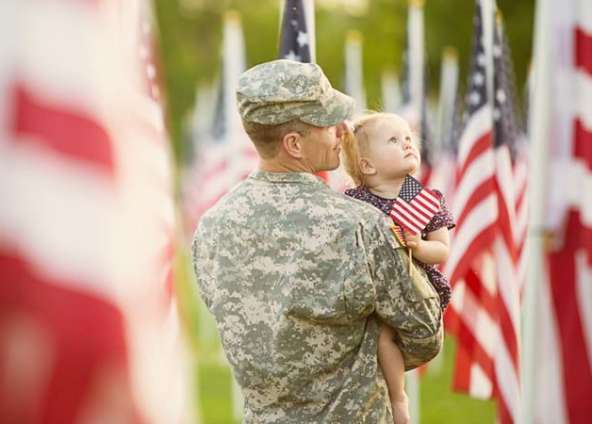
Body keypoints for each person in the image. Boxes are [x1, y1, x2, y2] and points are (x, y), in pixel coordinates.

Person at [192, 59, 443, 423]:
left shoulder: (212, 227)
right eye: (328, 123)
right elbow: (424, 332)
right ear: (293, 143)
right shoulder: (360, 224)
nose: (343, 131)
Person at [341, 112, 455, 424]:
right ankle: (394, 396)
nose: (407, 143)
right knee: (378, 333)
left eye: (407, 137)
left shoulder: (425, 199)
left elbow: (442, 250)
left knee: (386, 331)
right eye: (393, 140)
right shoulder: (355, 203)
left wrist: (418, 246)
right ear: (367, 166)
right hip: (371, 285)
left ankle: (398, 397)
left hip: (413, 287)